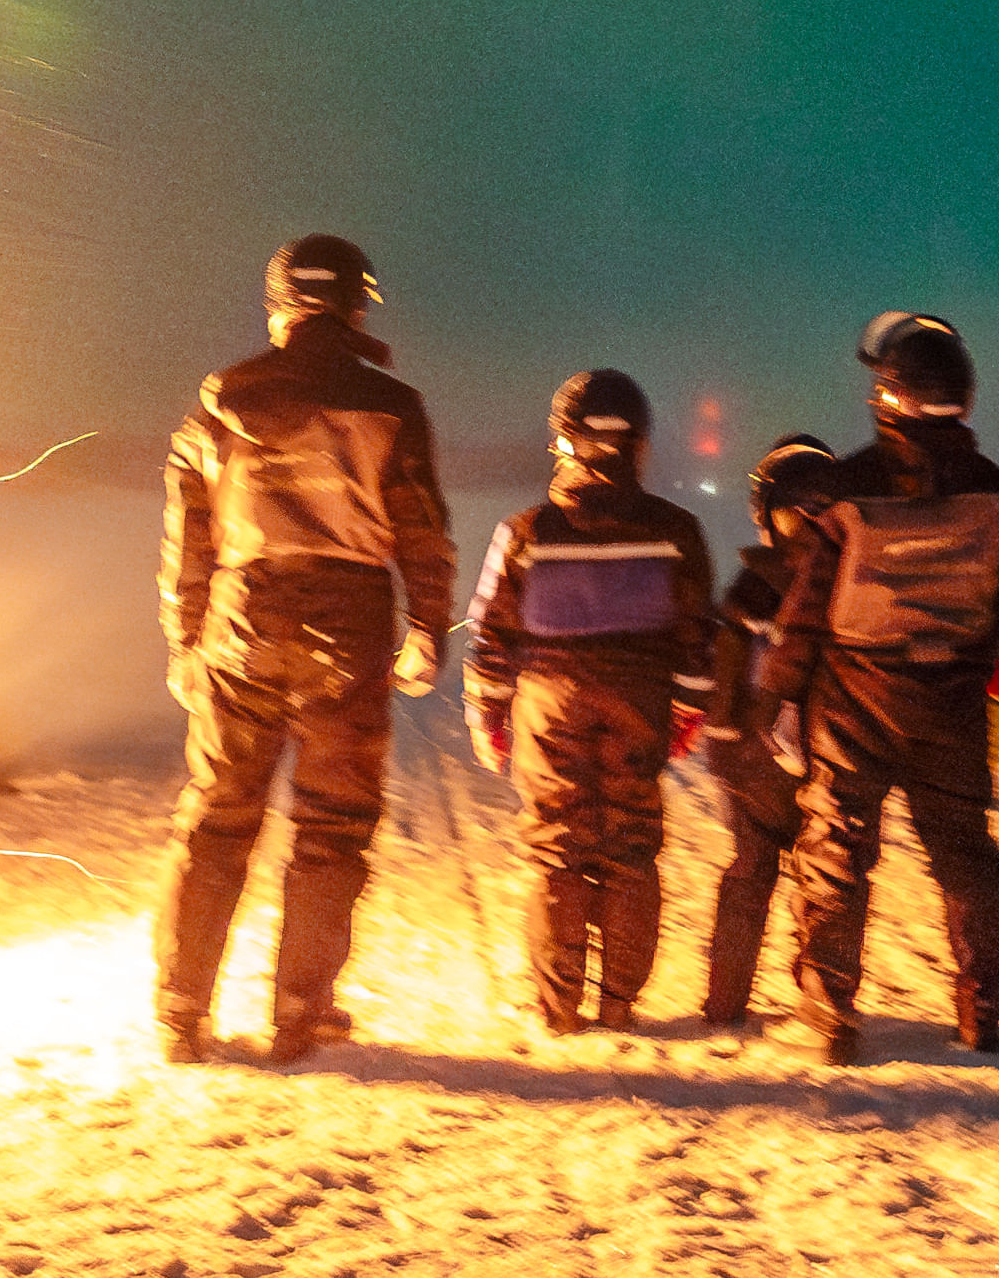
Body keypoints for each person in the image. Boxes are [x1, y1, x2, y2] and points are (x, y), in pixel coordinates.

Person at [156, 236, 453, 1065]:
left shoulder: (220, 401)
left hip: (241, 618)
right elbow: (421, 529)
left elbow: (192, 533)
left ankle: (180, 1011)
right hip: (346, 626)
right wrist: (426, 626)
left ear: (278, 305)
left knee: (216, 819)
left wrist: (186, 637)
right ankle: (299, 1010)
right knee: (332, 825)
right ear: (357, 306)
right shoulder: (390, 404)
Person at [761, 314, 999, 1063]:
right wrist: (971, 664)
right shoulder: (993, 490)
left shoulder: (845, 488)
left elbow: (806, 605)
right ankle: (982, 1009)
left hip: (853, 701)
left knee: (837, 853)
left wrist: (781, 695)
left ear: (887, 394)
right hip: (951, 702)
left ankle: (831, 1012)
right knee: (965, 853)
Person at [464, 371, 718, 1033]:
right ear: (637, 443)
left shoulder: (526, 529)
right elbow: (697, 640)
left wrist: (489, 715)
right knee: (630, 846)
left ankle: (558, 1008)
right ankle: (618, 1003)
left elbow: (490, 635)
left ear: (562, 441)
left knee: (558, 848)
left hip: (549, 702)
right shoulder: (678, 530)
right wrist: (687, 712)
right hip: (639, 698)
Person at [696, 433, 840, 1027]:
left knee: (749, 874)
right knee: (826, 877)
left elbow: (724, 676)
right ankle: (823, 1002)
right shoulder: (847, 585)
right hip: (828, 755)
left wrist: (723, 741)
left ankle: (726, 1003)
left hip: (753, 758)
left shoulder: (747, 587)